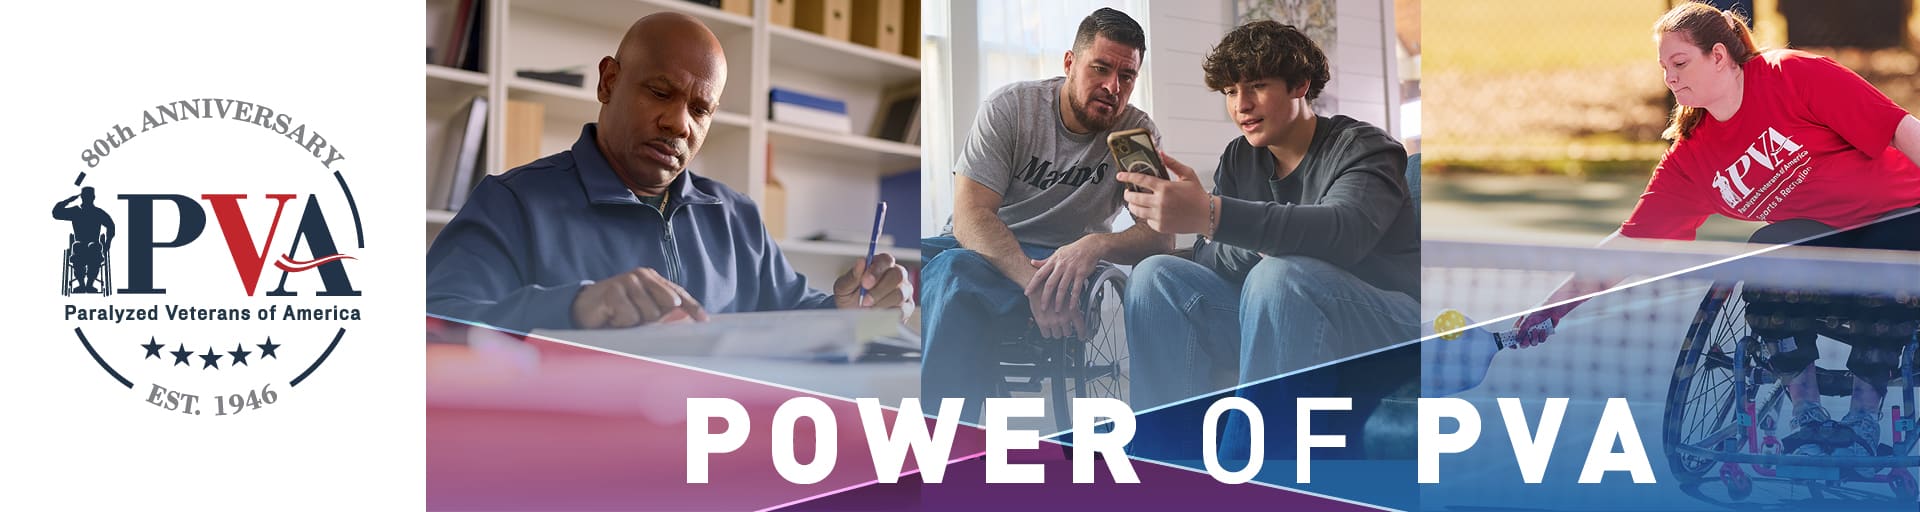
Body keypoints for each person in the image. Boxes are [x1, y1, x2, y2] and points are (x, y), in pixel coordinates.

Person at [1514, 1, 1920, 465]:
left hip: (1900, 215)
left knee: (1891, 268)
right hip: (1823, 237)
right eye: (1665, 67)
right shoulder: (1691, 160)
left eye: (1681, 62)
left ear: (1721, 56)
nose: (1670, 76)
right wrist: (1553, 308)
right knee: (1764, 254)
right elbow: (1631, 246)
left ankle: (1863, 420)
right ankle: (1810, 418)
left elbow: (1901, 129)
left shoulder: (1793, 76)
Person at [426, 13, 910, 332]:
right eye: (660, 93)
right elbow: (433, 328)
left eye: (701, 109)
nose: (679, 123)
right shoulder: (512, 203)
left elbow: (792, 315)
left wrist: (848, 313)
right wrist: (574, 308)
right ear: (609, 82)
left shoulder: (735, 216)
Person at [1115, 20, 1418, 452]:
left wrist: (1215, 215)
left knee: (1280, 275)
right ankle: (1164, 462)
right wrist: (1221, 226)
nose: (1241, 105)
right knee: (1155, 276)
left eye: (1256, 85)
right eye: (1229, 92)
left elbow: (1344, 234)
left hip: (1384, 320)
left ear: (1300, 85)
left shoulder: (1365, 148)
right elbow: (1208, 256)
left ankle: (1251, 480)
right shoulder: (1240, 157)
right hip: (1279, 312)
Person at [920, 7, 1174, 423]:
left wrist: (1097, 244)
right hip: (983, 249)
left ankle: (940, 446)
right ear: (1070, 63)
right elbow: (970, 217)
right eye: (1101, 68)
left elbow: (1160, 237)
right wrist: (1033, 284)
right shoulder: (1012, 109)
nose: (1113, 86)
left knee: (949, 272)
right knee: (901, 260)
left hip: (1059, 259)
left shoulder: (1131, 135)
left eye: (1126, 76)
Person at [55, 186, 116, 293]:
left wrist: (108, 243)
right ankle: (82, 285)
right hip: (80, 246)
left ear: (93, 197)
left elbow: (111, 226)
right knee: (79, 246)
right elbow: (56, 213)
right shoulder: (75, 211)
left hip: (94, 246)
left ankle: (89, 285)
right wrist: (69, 200)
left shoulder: (98, 212)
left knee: (92, 247)